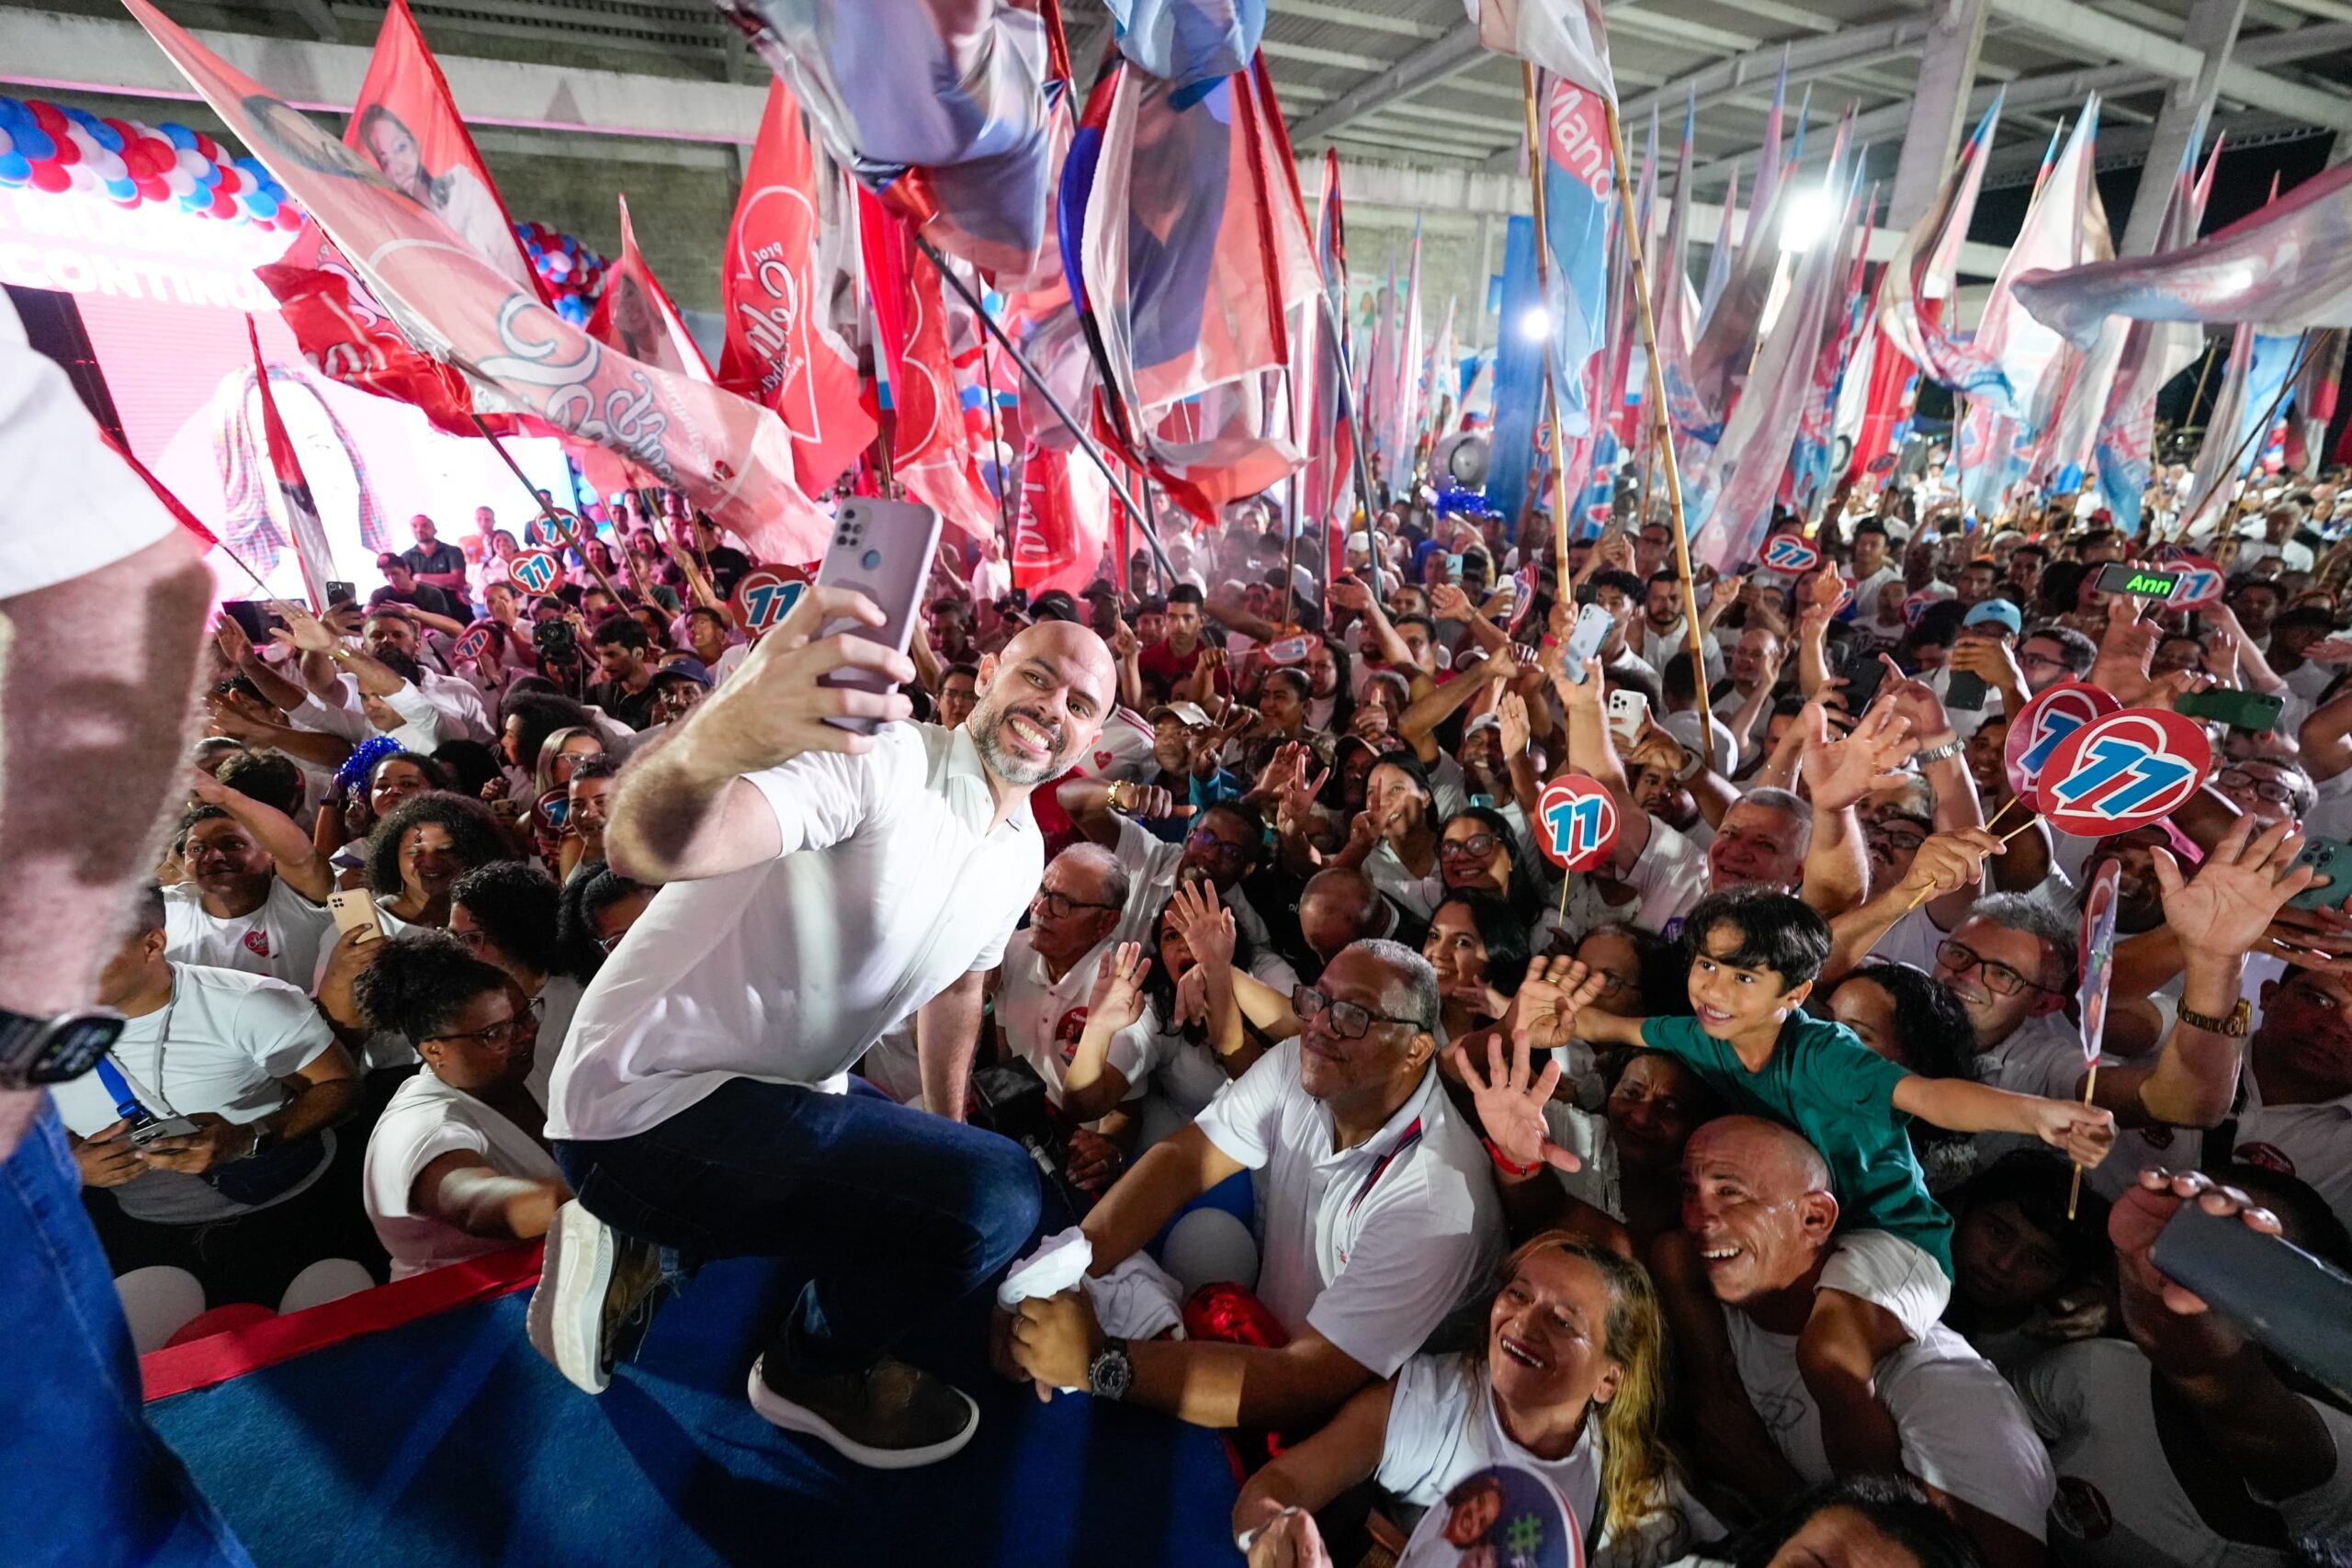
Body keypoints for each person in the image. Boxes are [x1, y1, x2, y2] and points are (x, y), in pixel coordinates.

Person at [535, 589, 1117, 1470]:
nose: (1051, 709)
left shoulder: (1019, 848)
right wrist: (728, 726)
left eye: (1079, 705)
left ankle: (652, 1241)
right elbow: (647, 848)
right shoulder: (880, 760)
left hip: (768, 1097)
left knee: (948, 1160)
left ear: (1093, 742)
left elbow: (960, 986)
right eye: (1037, 677)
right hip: (645, 1109)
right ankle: (811, 1367)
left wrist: (944, 1130)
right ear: (987, 676)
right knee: (997, 1194)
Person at [1509, 890, 2115, 1482]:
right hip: (1812, 1229)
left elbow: (1929, 1095)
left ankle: (1869, 1505)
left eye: (1744, 978)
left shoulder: (1827, 1054)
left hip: (1891, 1236)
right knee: (1670, 1254)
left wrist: (2036, 1115)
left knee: (1827, 1353)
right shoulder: (1705, 1034)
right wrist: (1544, 1014)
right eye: (1708, 964)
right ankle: (1719, 1396)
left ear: (1795, 993)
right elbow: (1617, 1026)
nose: (1715, 988)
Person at [1002, 941, 1503, 1435]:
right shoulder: (1296, 1066)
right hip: (1268, 1346)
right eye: (1317, 1001)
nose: (1320, 1028)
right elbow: (1180, 1164)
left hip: (1359, 1433)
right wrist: (1059, 1275)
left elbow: (1306, 1382)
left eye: (1354, 1016)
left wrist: (1096, 1362)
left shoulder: (1435, 1201)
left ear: (1415, 1049)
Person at [1679, 1117, 2058, 1567]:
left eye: (1731, 1193)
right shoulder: (1725, 1304)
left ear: (1814, 1218)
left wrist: (1768, 1478)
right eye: (1688, 1189)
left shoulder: (1947, 1395)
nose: (1696, 1217)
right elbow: (1669, 1256)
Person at [1231, 1233, 1714, 1567]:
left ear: (1608, 1381)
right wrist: (1273, 1531)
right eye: (1519, 1295)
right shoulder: (1431, 1405)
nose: (1523, 1324)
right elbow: (1278, 1484)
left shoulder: (1640, 1495)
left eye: (1563, 1322)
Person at [2021, 1166, 2352, 1568]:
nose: (2211, 1275)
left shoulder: (2334, 1454)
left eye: (2255, 1268)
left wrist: (2189, 1352)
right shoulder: (2088, 1374)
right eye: (2199, 1241)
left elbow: (2257, 1424)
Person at [57, 887, 366, 1310]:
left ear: (152, 943)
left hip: (293, 1208)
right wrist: (70, 1165)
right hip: (145, 1231)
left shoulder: (246, 1003)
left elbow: (341, 1087)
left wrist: (251, 1136)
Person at [354, 932, 571, 1280]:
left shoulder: (530, 1063)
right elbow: (474, 1202)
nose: (525, 1035)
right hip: (464, 1306)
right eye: (494, 1033)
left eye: (525, 1015)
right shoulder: (419, 1125)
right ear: (433, 1050)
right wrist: (599, 1198)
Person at [165, 770, 336, 990]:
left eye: (232, 844)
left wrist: (227, 797)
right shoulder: (168, 908)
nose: (212, 856)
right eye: (197, 849)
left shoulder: (299, 901)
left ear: (270, 852)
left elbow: (301, 856)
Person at [447, 861, 586, 1105]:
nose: (458, 952)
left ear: (515, 936)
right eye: (452, 937)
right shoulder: (459, 1004)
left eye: (472, 939)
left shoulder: (579, 1004)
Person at [585, 614, 662, 731]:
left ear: (638, 653)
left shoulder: (662, 695)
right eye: (600, 654)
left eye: (611, 655)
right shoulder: (596, 694)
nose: (604, 663)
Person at [401, 513, 470, 602]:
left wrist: (419, 578)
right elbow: (406, 586)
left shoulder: (452, 551)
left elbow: (456, 580)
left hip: (455, 607)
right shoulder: (405, 557)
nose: (419, 530)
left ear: (435, 530)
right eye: (415, 526)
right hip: (426, 610)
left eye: (425, 525)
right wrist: (444, 581)